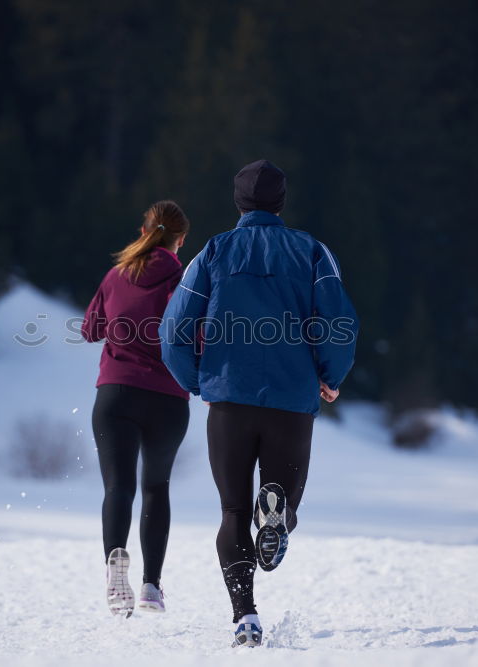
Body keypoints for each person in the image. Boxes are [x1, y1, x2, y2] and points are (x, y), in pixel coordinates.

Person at [159, 160, 358, 647]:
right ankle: (278, 518)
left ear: (238, 203)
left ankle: (245, 617)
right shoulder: (312, 251)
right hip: (292, 399)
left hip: (230, 400)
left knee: (231, 511)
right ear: (281, 202)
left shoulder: (213, 252)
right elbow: (339, 321)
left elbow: (173, 331)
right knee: (283, 504)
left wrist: (199, 382)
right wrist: (330, 377)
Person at [82, 200, 192, 618]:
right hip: (167, 399)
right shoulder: (184, 282)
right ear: (180, 241)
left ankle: (114, 562)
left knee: (118, 488)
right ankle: (151, 586)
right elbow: (198, 337)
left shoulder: (116, 275)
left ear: (142, 231)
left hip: (115, 394)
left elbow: (91, 329)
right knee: (156, 488)